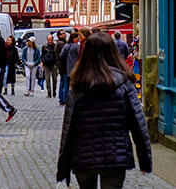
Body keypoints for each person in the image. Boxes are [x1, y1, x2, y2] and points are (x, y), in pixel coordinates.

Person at [57, 32, 152, 188]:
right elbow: (138, 124)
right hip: (115, 156)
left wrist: (63, 170)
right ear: (113, 52)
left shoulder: (78, 86)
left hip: (84, 157)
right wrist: (144, 160)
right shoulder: (124, 84)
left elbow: (68, 131)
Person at [59, 32, 81, 106]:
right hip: (75, 68)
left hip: (67, 68)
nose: (78, 38)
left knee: (66, 84)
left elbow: (61, 55)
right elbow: (80, 56)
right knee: (74, 85)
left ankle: (64, 99)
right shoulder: (76, 46)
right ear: (74, 38)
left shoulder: (66, 45)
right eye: (77, 37)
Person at [42, 34, 58, 98]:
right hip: (47, 65)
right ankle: (49, 92)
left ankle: (54, 91)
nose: (49, 41)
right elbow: (42, 55)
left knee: (54, 79)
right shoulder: (44, 47)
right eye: (48, 40)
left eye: (50, 39)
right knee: (47, 79)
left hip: (53, 64)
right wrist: (42, 62)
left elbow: (57, 55)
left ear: (52, 39)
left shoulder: (55, 46)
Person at [55, 30, 69, 105]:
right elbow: (64, 55)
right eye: (63, 34)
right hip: (64, 66)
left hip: (61, 66)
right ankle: (63, 99)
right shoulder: (61, 44)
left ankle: (61, 98)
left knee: (62, 82)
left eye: (64, 33)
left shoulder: (59, 43)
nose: (64, 35)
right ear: (59, 36)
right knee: (65, 83)